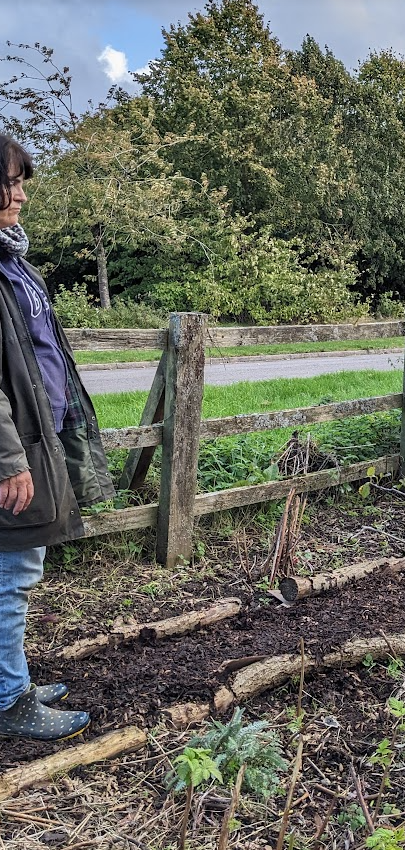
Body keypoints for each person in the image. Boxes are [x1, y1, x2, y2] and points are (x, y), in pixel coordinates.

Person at [0, 134, 114, 741]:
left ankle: (10, 679)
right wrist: (7, 459)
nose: (19, 195)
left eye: (21, 183)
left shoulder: (15, 264)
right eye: (8, 183)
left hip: (36, 439)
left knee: (17, 568)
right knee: (12, 573)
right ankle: (8, 700)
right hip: (13, 449)